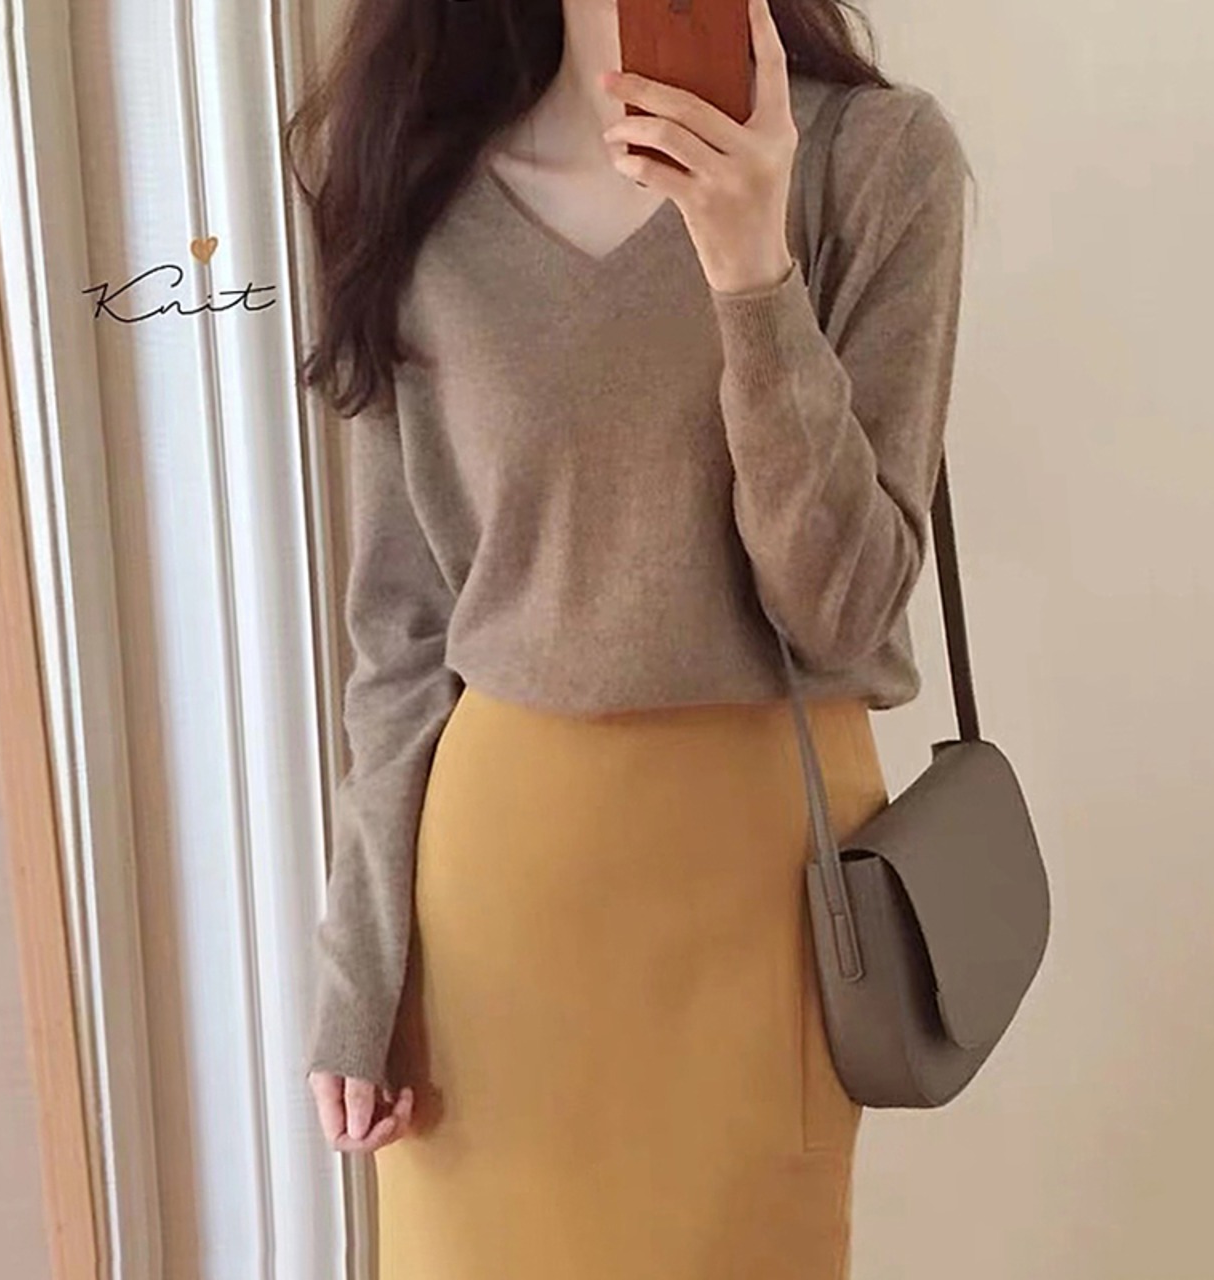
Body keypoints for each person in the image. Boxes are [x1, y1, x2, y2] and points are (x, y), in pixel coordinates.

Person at [285, 0, 970, 1274]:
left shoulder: (874, 162)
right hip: (495, 904)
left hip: (761, 891)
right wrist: (358, 972)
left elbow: (841, 604)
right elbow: (400, 634)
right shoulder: (416, 178)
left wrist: (750, 272)